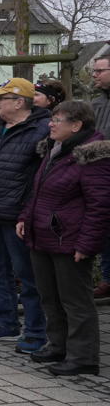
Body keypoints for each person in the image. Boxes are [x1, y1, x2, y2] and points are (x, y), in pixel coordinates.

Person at [17, 100, 109, 376]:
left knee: (75, 300)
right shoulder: (54, 150)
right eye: (52, 118)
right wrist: (25, 217)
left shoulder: (92, 157)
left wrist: (86, 245)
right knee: (50, 296)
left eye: (58, 120)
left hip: (69, 241)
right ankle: (57, 345)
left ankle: (83, 357)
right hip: (43, 236)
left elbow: (100, 206)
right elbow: (40, 192)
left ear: (77, 125)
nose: (51, 123)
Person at [0, 77, 50, 350]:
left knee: (27, 276)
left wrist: (26, 213)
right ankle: (6, 323)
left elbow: (40, 178)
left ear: (19, 102)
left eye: (1, 98)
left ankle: (36, 332)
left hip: (17, 216)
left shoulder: (41, 130)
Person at [90, 54, 110, 299]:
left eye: (99, 71)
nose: (94, 75)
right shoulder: (96, 103)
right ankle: (108, 278)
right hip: (100, 177)